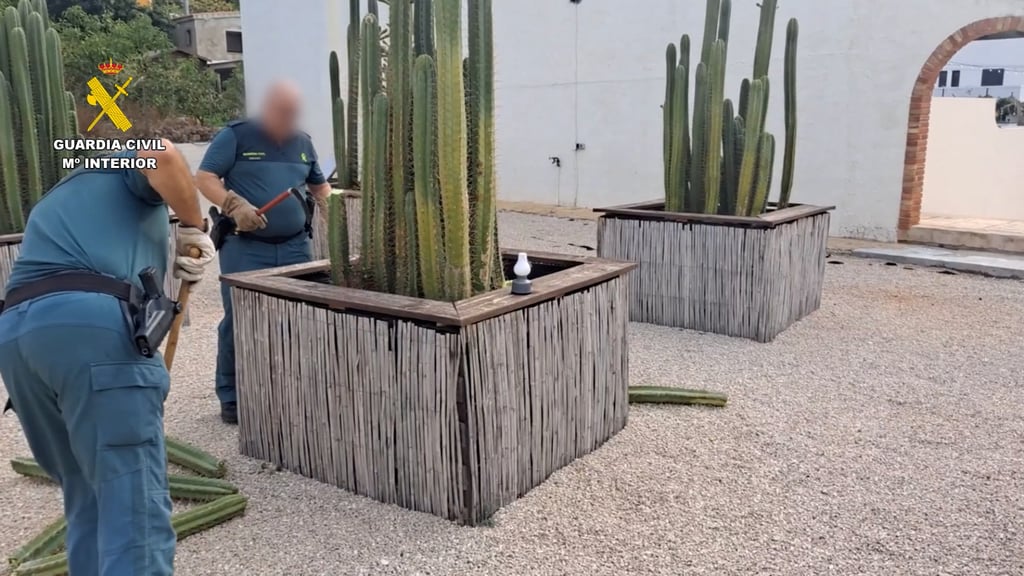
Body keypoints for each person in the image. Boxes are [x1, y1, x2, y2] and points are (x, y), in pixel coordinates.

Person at [0, 143, 216, 575]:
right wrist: (193, 225)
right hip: (91, 328)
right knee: (133, 509)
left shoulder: (57, 199)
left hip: (19, 337)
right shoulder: (116, 165)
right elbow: (163, 155)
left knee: (88, 496)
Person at [196, 80, 331, 424]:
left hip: (295, 248)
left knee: (298, 320)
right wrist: (233, 203)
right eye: (280, 109)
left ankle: (291, 393)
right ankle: (232, 397)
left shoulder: (303, 143)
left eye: (292, 111)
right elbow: (206, 177)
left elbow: (318, 186)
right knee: (238, 322)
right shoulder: (236, 136)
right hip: (246, 249)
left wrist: (334, 209)